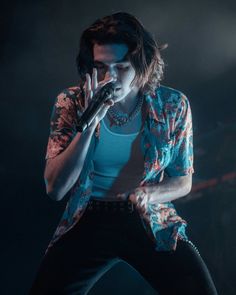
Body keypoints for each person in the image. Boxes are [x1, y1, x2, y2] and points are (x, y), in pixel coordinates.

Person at [29, 12, 218, 295]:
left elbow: (183, 181)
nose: (110, 78)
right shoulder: (71, 102)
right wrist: (89, 123)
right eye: (101, 67)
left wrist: (149, 194)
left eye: (121, 67)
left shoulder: (172, 105)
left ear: (142, 66)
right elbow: (56, 189)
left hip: (146, 216)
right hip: (89, 215)